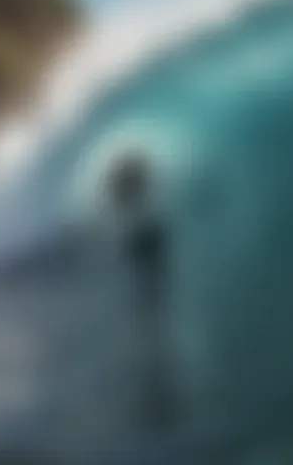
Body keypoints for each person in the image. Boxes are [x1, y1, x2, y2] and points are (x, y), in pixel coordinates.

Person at [107, 152, 178, 434]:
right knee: (151, 303)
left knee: (151, 303)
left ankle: (154, 354)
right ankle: (156, 358)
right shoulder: (129, 186)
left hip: (146, 244)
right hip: (145, 244)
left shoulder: (129, 185)